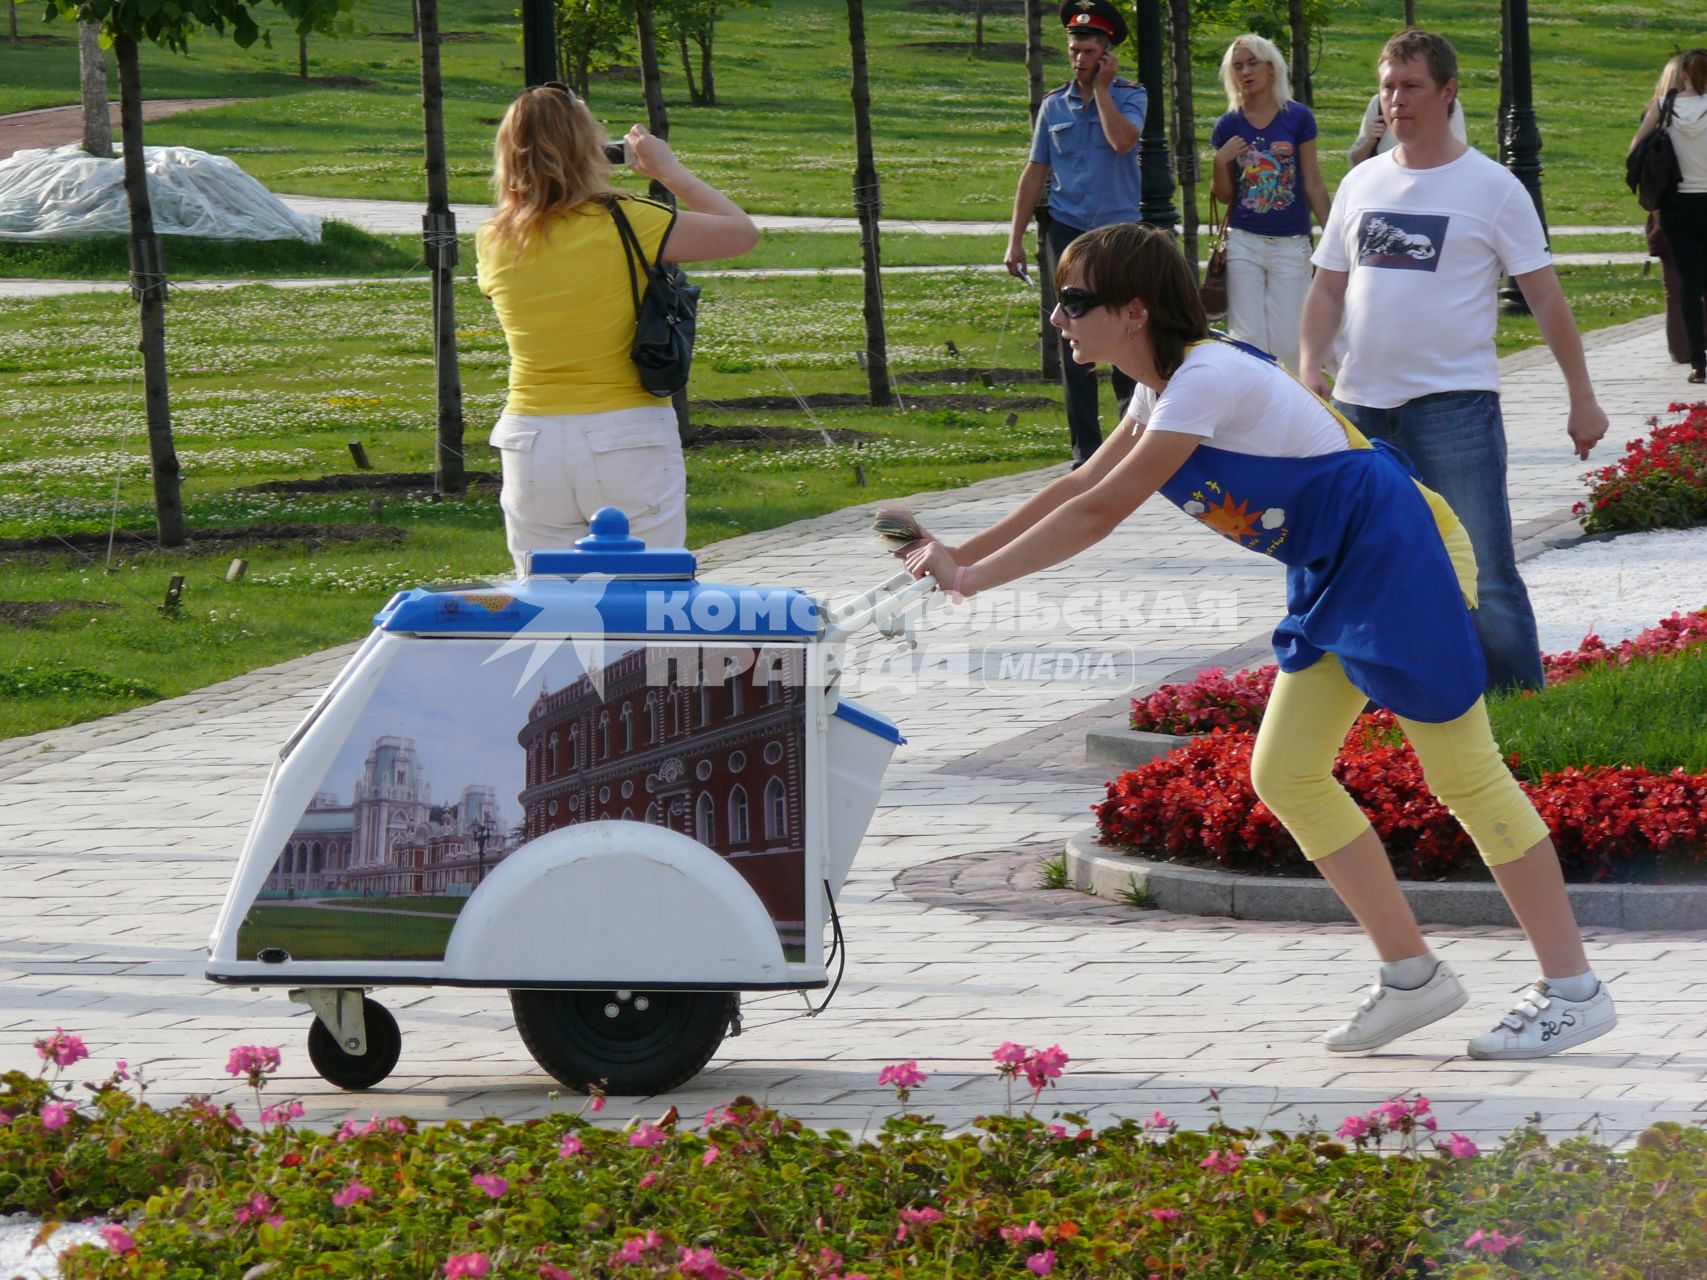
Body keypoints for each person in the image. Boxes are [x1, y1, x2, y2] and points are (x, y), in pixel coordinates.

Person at [899, 223, 1616, 1060]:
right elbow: (1078, 483)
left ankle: (1574, 991)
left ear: (1132, 312)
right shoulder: (1158, 389)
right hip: (1340, 560)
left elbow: (1100, 513)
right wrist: (956, 554)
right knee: (1285, 773)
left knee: (1463, 773)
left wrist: (972, 582)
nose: (1058, 318)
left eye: (1073, 301)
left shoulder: (1201, 380)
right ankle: (1411, 976)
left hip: (1400, 549)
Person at [1297, 29, 1609, 695]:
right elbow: (1326, 287)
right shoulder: (1360, 183)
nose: (1395, 100)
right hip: (1359, 408)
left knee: (1483, 570)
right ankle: (1393, 701)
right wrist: (1308, 366)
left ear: (1446, 92)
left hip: (1454, 407)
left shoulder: (1492, 188)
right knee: (1366, 567)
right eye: (1386, 86)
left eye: (1409, 86)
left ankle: (1518, 701)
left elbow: (1545, 297)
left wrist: (1581, 396)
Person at [476, 84, 759, 575]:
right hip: (626, 433)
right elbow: (740, 232)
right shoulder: (627, 220)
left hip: (530, 438)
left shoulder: (494, 237)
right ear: (589, 148)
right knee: (646, 600)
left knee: (548, 607)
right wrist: (668, 172)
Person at [1004, 0, 1146, 468]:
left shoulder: (1129, 95)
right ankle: (1085, 451)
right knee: (1073, 334)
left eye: (1088, 51)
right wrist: (1015, 238)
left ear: (1107, 54)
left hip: (1117, 232)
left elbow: (1123, 141)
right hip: (1067, 230)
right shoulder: (1053, 106)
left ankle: (1132, 443)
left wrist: (1103, 90)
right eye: (1073, 50)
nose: (1079, 59)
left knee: (1127, 328)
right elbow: (1034, 171)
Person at [1208, 34, 1331, 375]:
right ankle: (1253, 417)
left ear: (1272, 68)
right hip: (1244, 240)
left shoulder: (1297, 118)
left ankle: (1295, 413)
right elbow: (1223, 196)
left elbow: (1314, 182)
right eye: (1237, 66)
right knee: (1247, 339)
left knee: (1290, 340)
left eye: (1252, 63)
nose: (1245, 72)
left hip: (1290, 244)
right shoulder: (1228, 124)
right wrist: (1220, 163)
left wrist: (1336, 237)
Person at [1630, 48, 1707, 384]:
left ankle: (1698, 363)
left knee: (1690, 284)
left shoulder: (1664, 107)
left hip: (1677, 204)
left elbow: (1636, 148)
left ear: (1685, 74)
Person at [1346, 89, 1465, 166]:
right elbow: (1355, 162)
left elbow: (1457, 161)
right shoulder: (1379, 103)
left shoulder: (1447, 104)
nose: (1398, 99)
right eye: (1389, 85)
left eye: (1411, 85)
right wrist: (1370, 142)